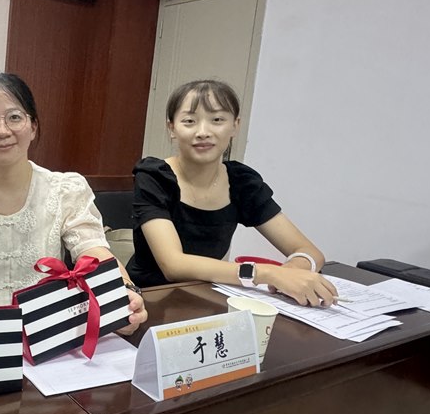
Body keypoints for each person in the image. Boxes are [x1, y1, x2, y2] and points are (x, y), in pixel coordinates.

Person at [0, 72, 147, 332]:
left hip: (50, 328)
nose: (2, 131)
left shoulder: (66, 190)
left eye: (14, 117)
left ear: (33, 126)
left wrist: (125, 293)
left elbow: (93, 251)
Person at [126, 79, 338, 307]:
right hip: (147, 300)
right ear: (172, 128)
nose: (203, 132)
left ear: (235, 126)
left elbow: (310, 252)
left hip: (206, 299)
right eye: (189, 121)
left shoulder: (241, 182)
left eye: (217, 120)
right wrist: (269, 273)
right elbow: (174, 265)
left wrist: (293, 272)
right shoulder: (154, 177)